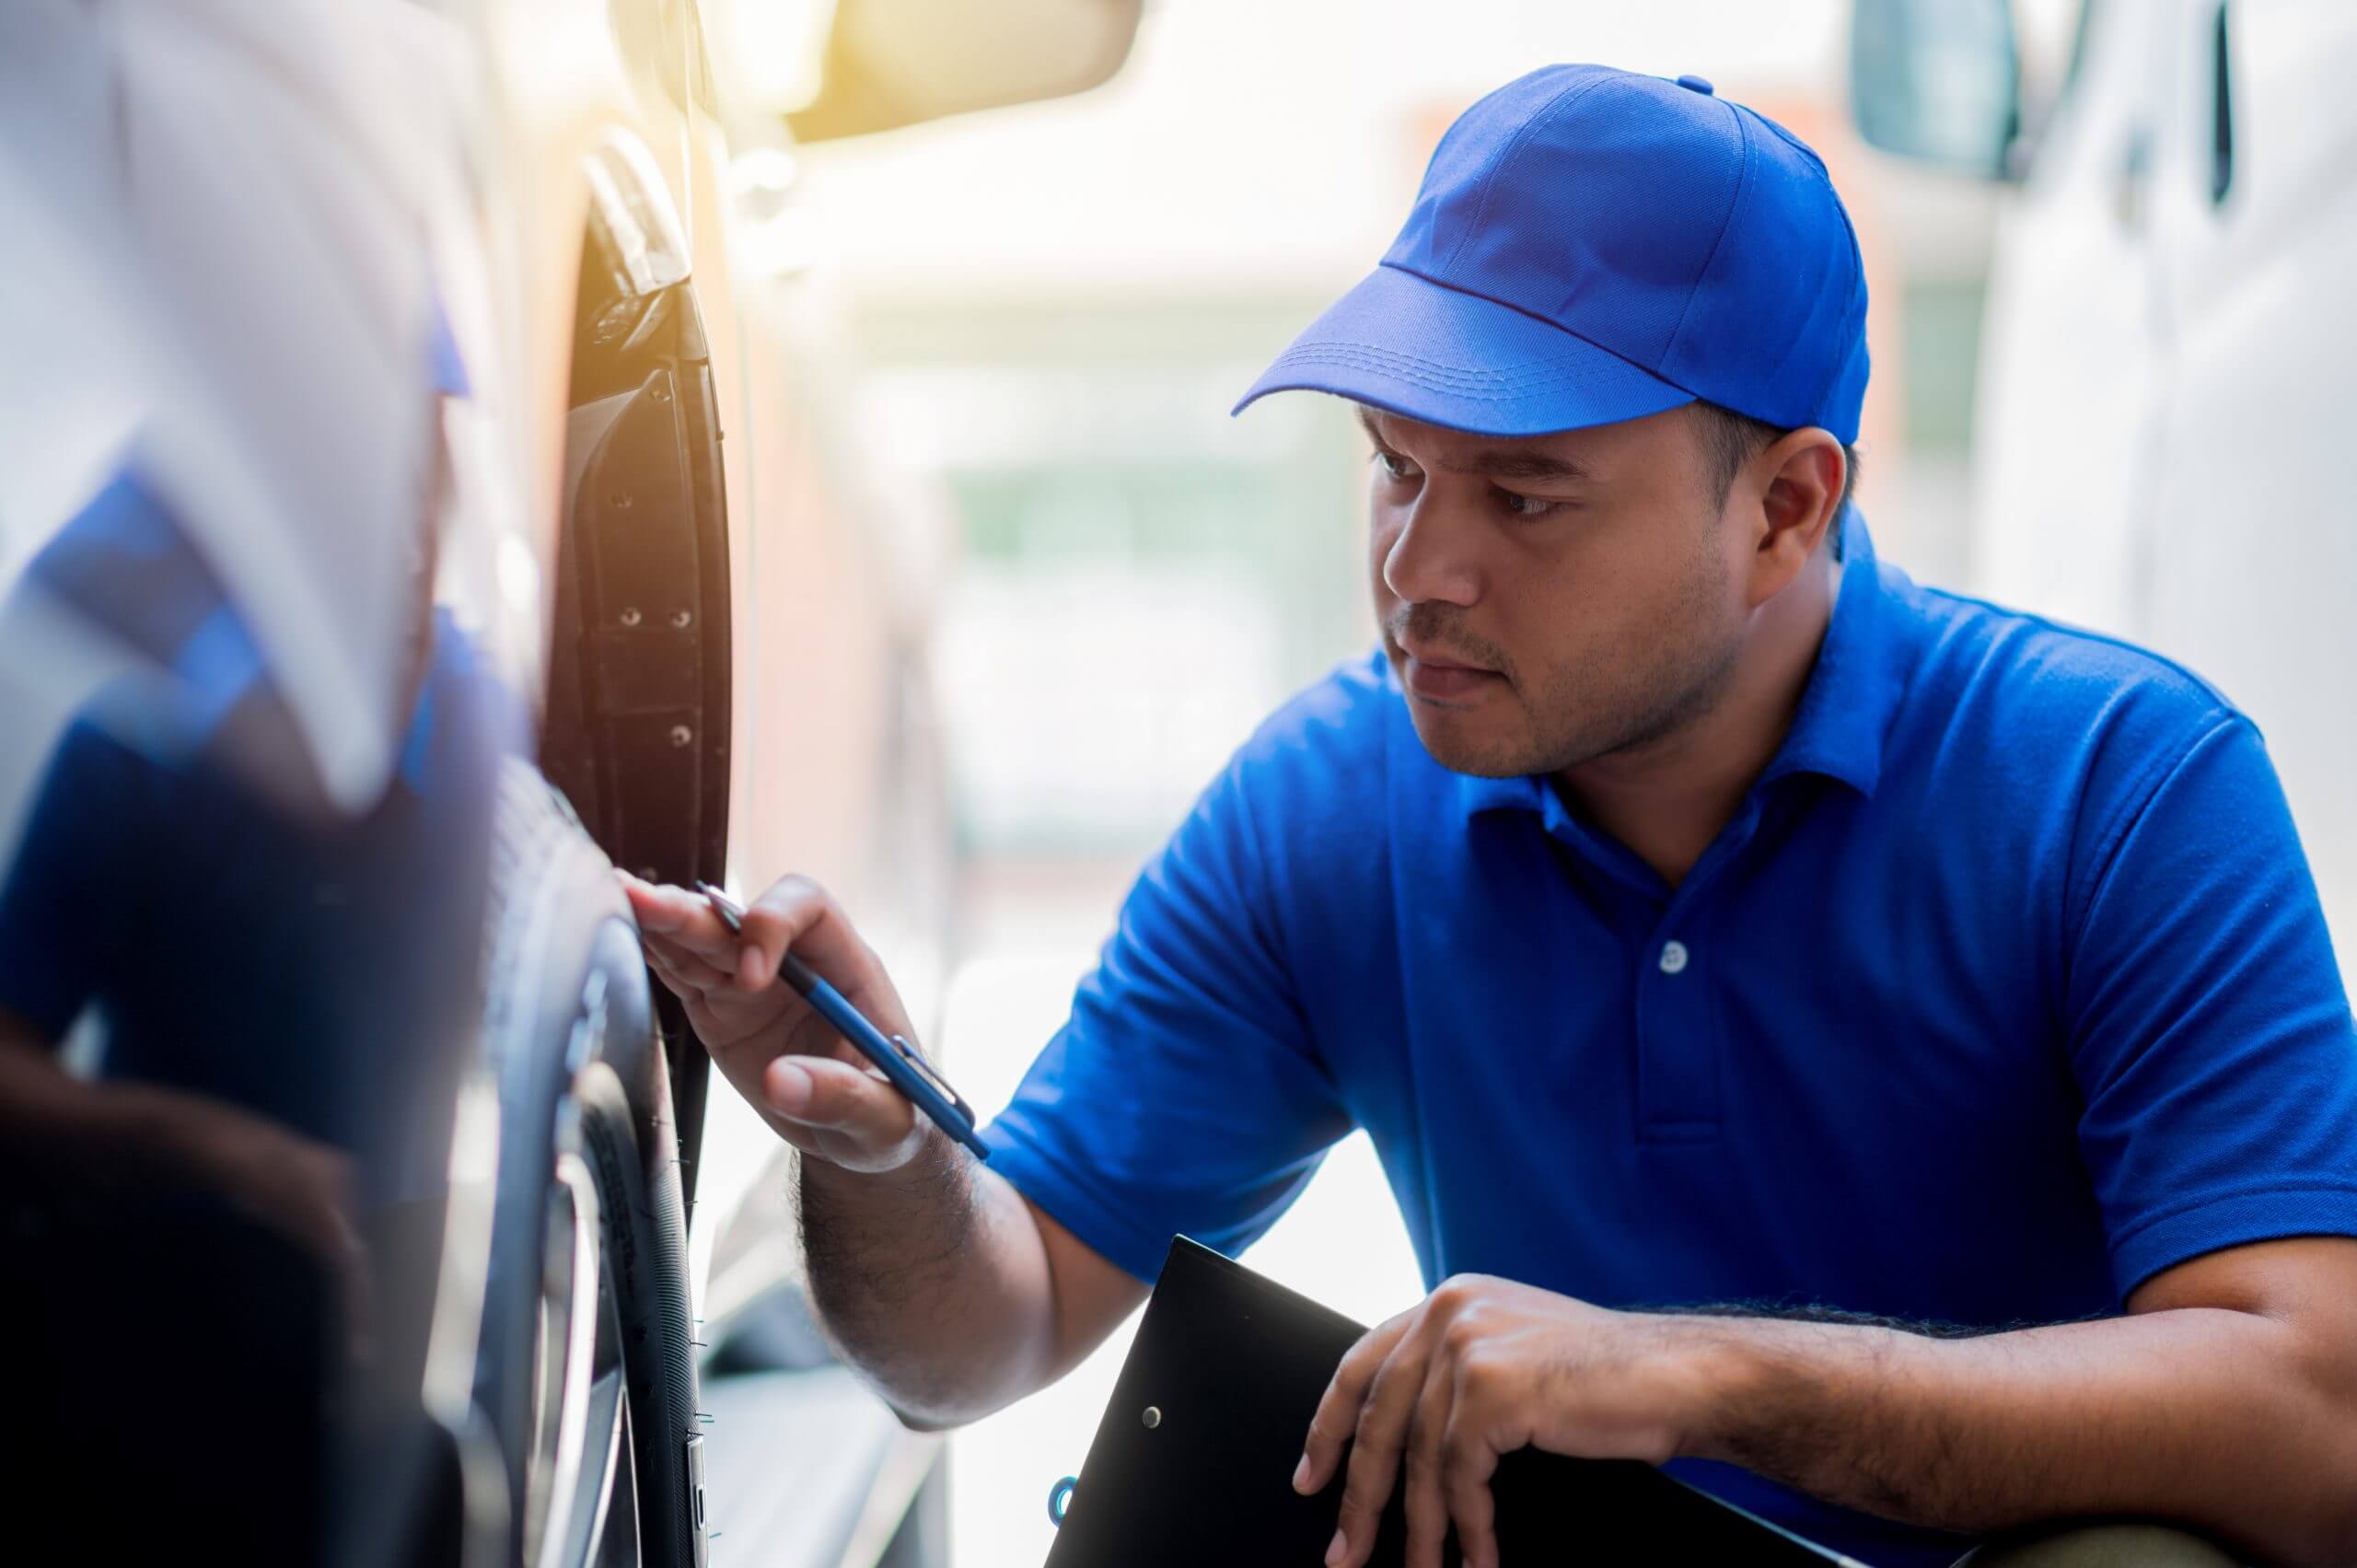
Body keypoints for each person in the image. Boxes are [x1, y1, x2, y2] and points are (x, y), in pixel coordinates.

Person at [624, 64, 2357, 1568]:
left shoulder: (2119, 786)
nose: (1416, 571)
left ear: (1786, 506)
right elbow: (973, 1345)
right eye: (1395, 464)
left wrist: (1697, 1372)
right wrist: (878, 1159)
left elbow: (2314, 1422)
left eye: (1526, 495)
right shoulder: (1329, 806)